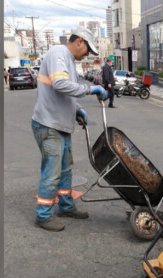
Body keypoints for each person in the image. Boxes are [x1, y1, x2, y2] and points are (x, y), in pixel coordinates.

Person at [31, 26, 109, 231]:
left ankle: (66, 207)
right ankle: (43, 215)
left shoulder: (69, 62)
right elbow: (59, 84)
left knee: (65, 170)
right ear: (79, 41)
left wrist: (77, 109)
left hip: (60, 125)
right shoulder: (59, 53)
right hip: (49, 124)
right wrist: (91, 89)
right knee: (52, 172)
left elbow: (66, 93)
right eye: (87, 50)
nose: (87, 55)